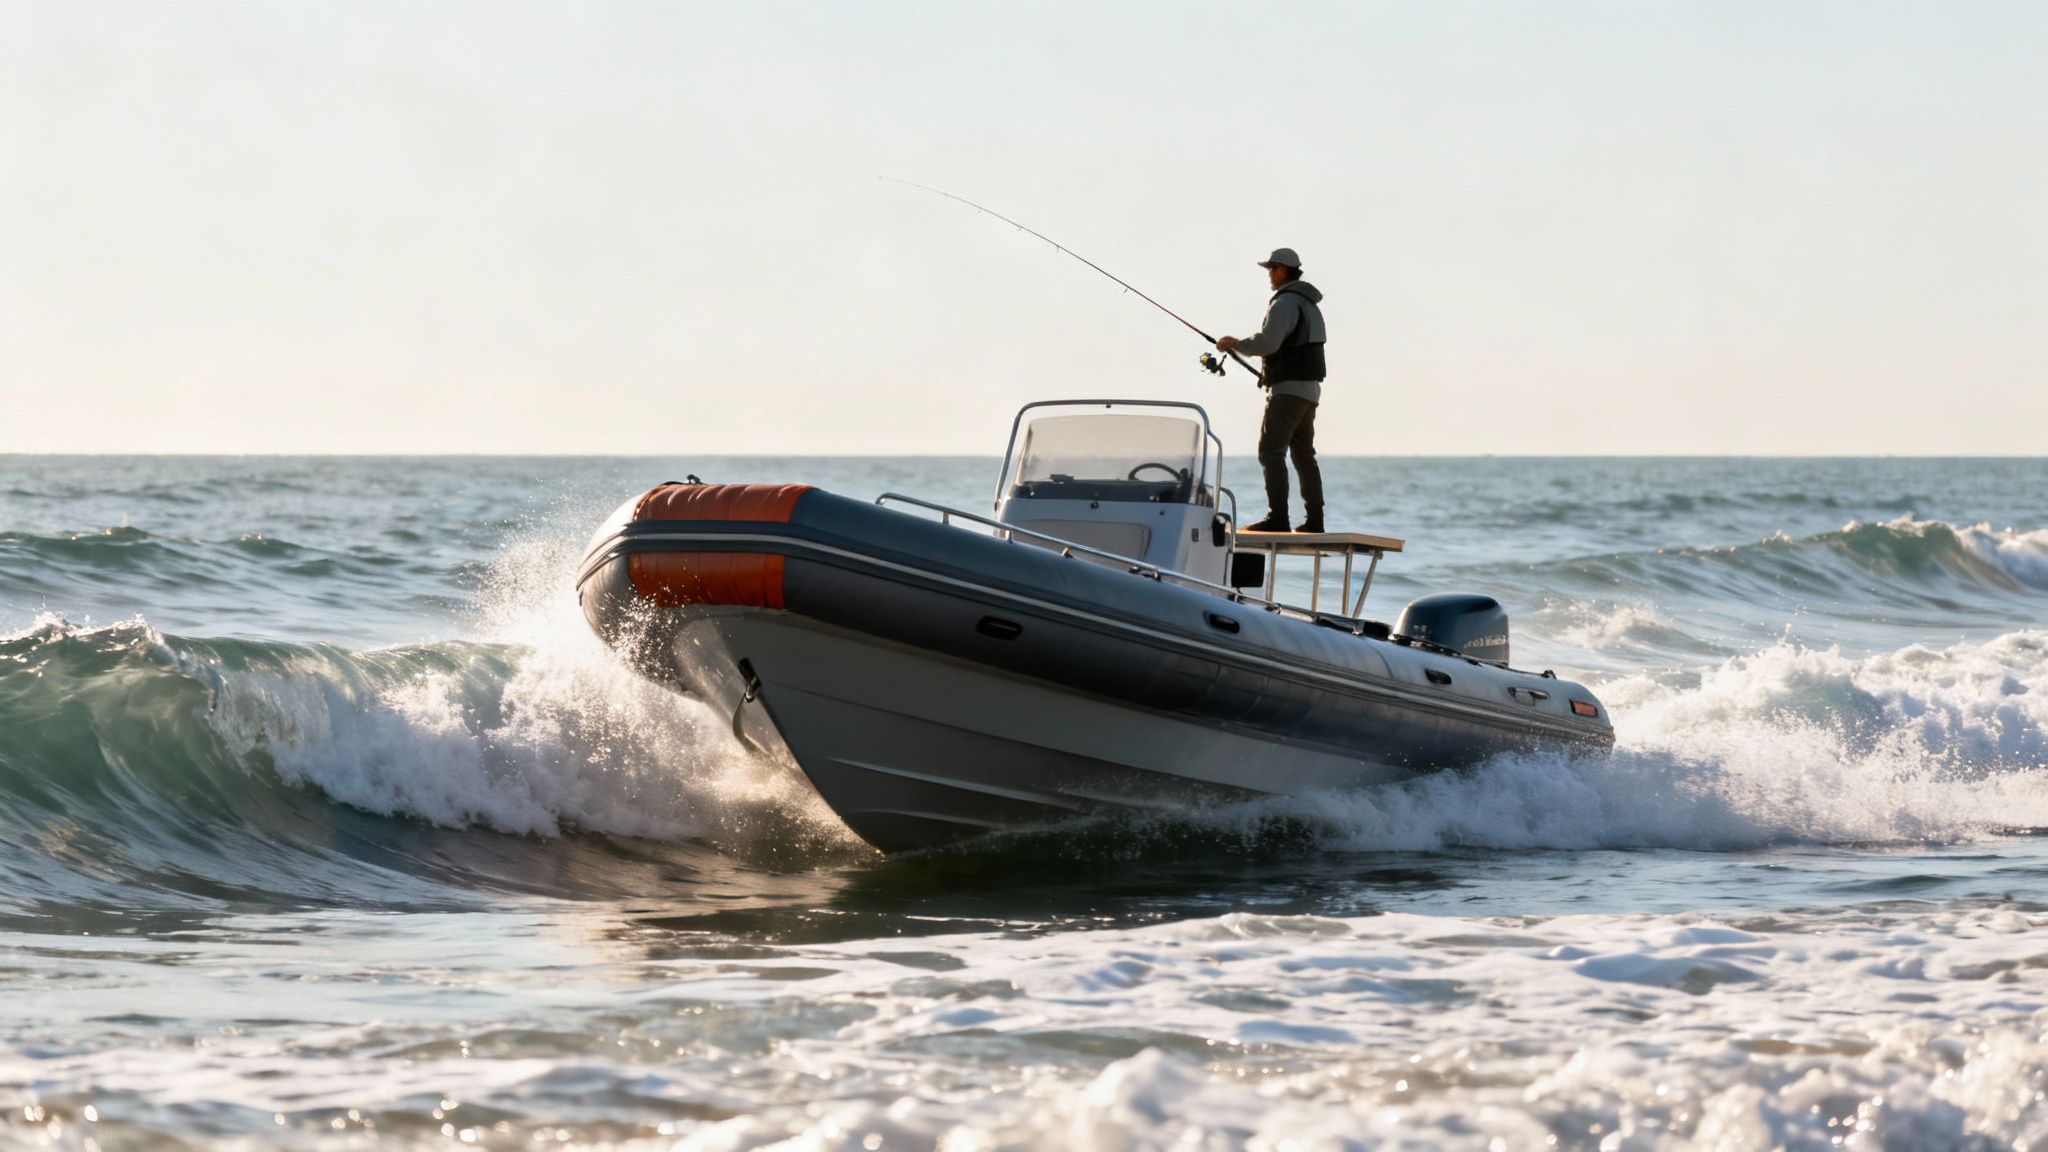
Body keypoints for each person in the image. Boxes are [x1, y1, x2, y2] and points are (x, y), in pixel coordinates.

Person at [1216, 248, 1327, 533]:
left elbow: (1268, 343)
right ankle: (1315, 521)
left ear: (1281, 269)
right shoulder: (1309, 304)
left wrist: (1235, 343)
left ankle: (1277, 518)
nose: (1269, 274)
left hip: (1288, 391)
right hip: (1309, 391)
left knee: (1270, 452)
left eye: (1271, 269)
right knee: (1304, 456)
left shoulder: (1285, 303)